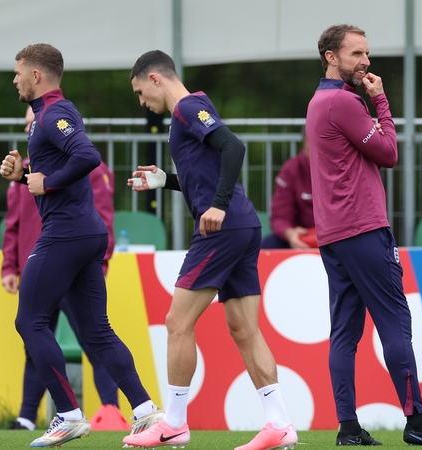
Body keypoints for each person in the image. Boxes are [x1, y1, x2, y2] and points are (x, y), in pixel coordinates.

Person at [122, 50, 297, 450]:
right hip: (243, 225)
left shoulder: (187, 107)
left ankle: (175, 423)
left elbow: (233, 148)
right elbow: (207, 173)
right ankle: (280, 423)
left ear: (154, 78)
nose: (141, 102)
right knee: (244, 329)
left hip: (224, 227)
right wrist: (166, 180)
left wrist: (217, 205)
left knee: (176, 322)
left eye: (139, 92)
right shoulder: (192, 110)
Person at [306, 24, 422, 446]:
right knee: (395, 324)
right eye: (357, 53)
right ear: (331, 57)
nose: (366, 61)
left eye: (366, 53)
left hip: (334, 234)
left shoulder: (318, 101)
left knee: (344, 332)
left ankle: (348, 428)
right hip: (363, 228)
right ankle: (417, 424)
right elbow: (389, 153)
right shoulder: (343, 101)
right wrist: (380, 101)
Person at [0, 43, 162, 448]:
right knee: (96, 330)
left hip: (66, 233)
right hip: (85, 233)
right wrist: (24, 176)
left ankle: (69, 415)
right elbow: (58, 172)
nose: (14, 79)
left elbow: (87, 156)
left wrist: (45, 180)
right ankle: (146, 412)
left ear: (36, 75)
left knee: (29, 321)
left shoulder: (53, 113)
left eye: (18, 72)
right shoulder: (47, 116)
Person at [3, 106, 128, 431]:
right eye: (28, 126)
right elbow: (13, 226)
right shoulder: (27, 173)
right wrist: (9, 266)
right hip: (37, 267)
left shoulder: (80, 170)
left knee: (92, 338)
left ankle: (110, 411)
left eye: (35, 126)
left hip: (71, 267)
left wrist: (100, 260)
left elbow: (101, 217)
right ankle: (27, 417)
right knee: (34, 341)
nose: (32, 131)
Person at [261, 129, 316, 249]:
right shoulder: (291, 170)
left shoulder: (346, 169)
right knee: (268, 244)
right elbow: (280, 216)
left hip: (339, 237)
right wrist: (290, 233)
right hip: (302, 237)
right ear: (304, 142)